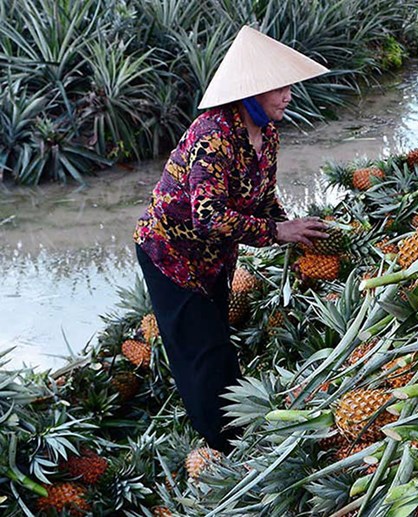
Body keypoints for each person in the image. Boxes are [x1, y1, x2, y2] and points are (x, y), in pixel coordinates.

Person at [133, 26, 330, 452]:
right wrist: (278, 233)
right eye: (280, 89)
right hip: (172, 255)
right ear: (253, 90)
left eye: (289, 87)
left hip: (215, 257)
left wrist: (292, 225)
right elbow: (208, 216)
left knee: (219, 342)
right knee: (202, 355)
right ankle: (225, 448)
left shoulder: (268, 135)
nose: (288, 96)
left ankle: (234, 430)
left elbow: (261, 198)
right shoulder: (213, 135)